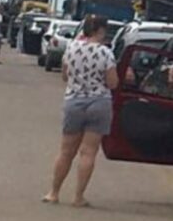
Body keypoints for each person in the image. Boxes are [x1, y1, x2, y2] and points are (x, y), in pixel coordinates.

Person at [44, 15, 119, 208]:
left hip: (74, 101)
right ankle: (78, 196)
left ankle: (54, 192)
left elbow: (64, 76)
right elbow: (112, 83)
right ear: (100, 30)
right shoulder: (106, 53)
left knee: (66, 150)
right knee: (88, 152)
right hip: (99, 102)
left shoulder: (71, 48)